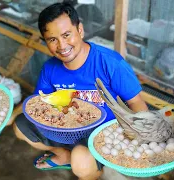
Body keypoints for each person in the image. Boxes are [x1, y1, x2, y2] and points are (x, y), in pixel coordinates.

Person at [12, 2, 148, 180]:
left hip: (99, 134)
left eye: (66, 35)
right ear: (46, 41)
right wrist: (9, 117)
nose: (61, 45)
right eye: (52, 39)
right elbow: (38, 100)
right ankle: (62, 155)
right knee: (19, 127)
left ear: (80, 31)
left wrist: (139, 137)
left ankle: (88, 168)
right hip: (62, 127)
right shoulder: (50, 68)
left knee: (81, 164)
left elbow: (136, 102)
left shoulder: (110, 63)